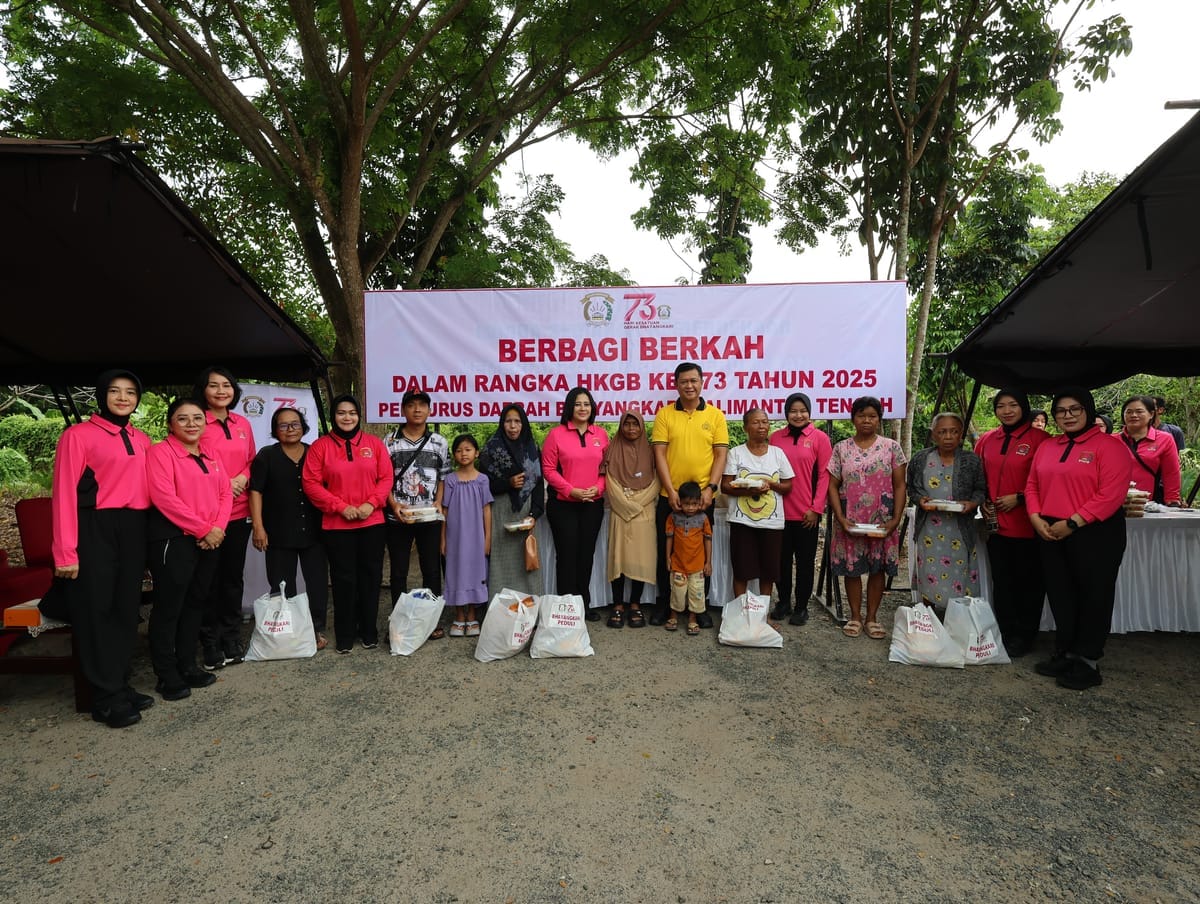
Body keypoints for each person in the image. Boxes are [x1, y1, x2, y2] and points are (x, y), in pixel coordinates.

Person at [50, 370, 154, 728]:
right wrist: (65, 552)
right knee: (97, 611)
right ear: (101, 395)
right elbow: (64, 493)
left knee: (126, 609)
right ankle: (104, 697)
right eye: (115, 391)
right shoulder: (77, 436)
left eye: (130, 392)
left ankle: (120, 685)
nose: (123, 398)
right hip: (94, 527)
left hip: (134, 527)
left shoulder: (142, 438)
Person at [1026, 387, 1132, 690]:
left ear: (1088, 410)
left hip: (1094, 533)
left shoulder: (1109, 447)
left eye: (1075, 409)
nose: (1067, 416)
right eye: (1061, 411)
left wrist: (1073, 522)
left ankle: (1087, 661)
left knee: (1093, 594)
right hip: (1049, 529)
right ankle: (1066, 651)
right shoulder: (1048, 446)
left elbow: (1111, 493)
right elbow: (1032, 483)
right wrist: (1035, 517)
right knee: (1061, 593)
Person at [145, 398, 229, 702]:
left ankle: (187, 664)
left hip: (210, 538)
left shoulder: (211, 453)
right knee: (170, 607)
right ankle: (166, 674)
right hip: (174, 539)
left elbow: (224, 493)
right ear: (171, 424)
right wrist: (203, 529)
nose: (191, 424)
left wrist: (217, 528)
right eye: (183, 419)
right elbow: (164, 497)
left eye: (197, 418)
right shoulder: (160, 452)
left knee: (196, 603)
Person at [301, 394, 391, 653]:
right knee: (343, 579)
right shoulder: (320, 447)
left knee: (370, 578)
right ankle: (345, 635)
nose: (347, 417)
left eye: (352, 412)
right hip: (337, 526)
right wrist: (341, 507)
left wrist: (370, 504)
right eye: (342, 412)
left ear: (359, 415)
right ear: (334, 416)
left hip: (371, 522)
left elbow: (386, 478)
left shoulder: (374, 444)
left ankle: (369, 631)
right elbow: (311, 483)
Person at [973, 389, 1051, 658]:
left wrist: (1019, 497)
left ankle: (1026, 634)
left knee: (1028, 582)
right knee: (1002, 581)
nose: (1006, 411)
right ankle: (1004, 631)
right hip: (995, 524)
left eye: (1013, 405)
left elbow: (1048, 480)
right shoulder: (987, 439)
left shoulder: (1041, 439)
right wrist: (981, 498)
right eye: (1001, 406)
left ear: (1025, 407)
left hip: (1029, 524)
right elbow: (978, 475)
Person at [651, 361, 729, 627]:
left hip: (702, 499)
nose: (689, 385)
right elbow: (659, 453)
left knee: (701, 553)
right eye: (684, 381)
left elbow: (720, 454)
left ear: (702, 382)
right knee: (667, 551)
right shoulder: (664, 415)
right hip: (669, 497)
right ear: (676, 384)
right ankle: (665, 604)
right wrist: (670, 490)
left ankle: (700, 607)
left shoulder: (716, 416)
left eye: (694, 380)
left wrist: (712, 488)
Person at [248, 406, 330, 651]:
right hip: (278, 531)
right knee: (282, 584)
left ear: (303, 427)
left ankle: (314, 629)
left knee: (317, 583)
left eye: (295, 424)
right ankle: (287, 629)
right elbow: (256, 491)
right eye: (283, 425)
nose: (290, 429)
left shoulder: (315, 452)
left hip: (315, 530)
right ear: (275, 430)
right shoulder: (266, 456)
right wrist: (258, 527)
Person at [826, 396, 907, 640]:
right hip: (850, 520)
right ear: (853, 419)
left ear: (879, 419)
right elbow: (832, 485)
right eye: (861, 416)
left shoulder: (891, 447)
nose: (866, 420)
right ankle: (855, 617)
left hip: (882, 520)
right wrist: (840, 518)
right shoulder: (841, 448)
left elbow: (900, 485)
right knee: (852, 569)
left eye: (872, 416)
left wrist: (895, 519)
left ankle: (872, 618)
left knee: (877, 567)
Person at [194, 366, 256, 670]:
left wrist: (242, 477)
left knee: (232, 578)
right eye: (214, 386)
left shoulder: (242, 423)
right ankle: (210, 640)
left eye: (227, 385)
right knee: (208, 581)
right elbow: (189, 465)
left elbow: (251, 461)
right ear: (203, 390)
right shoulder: (195, 421)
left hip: (239, 511)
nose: (221, 391)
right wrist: (222, 482)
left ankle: (232, 637)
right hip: (207, 517)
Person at [906, 412, 987, 612]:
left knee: (960, 572)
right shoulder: (921, 458)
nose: (948, 437)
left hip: (960, 528)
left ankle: (959, 616)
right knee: (928, 570)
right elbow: (912, 488)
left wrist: (972, 504)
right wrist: (920, 500)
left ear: (960, 435)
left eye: (953, 432)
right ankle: (929, 615)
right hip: (929, 529)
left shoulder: (971, 460)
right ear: (934, 435)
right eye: (942, 432)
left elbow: (981, 489)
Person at [541, 386, 609, 619]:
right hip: (563, 505)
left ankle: (583, 604)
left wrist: (598, 488)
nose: (583, 408)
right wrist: (572, 491)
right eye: (578, 404)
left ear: (593, 408)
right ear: (570, 407)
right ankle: (566, 607)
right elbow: (548, 470)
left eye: (587, 404)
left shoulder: (601, 435)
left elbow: (605, 470)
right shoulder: (556, 434)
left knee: (586, 554)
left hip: (593, 504)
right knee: (567, 554)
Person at [769, 392, 832, 625]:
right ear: (786, 413)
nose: (798, 415)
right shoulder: (775, 438)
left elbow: (825, 475)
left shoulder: (820, 438)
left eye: (802, 410)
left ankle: (801, 607)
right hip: (778, 513)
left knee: (805, 563)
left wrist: (816, 509)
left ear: (809, 412)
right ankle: (783, 602)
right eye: (793, 411)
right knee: (781, 561)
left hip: (807, 515)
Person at [384, 390, 450, 612]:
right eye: (411, 405)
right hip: (398, 517)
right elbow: (382, 480)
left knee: (431, 570)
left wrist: (439, 503)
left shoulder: (439, 442)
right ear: (403, 410)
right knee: (398, 571)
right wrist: (394, 505)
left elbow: (443, 477)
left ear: (430, 410)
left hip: (429, 516)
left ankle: (430, 619)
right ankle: (399, 618)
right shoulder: (390, 441)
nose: (417, 409)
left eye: (422, 405)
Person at [721, 408, 793, 606]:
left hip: (772, 524)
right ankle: (741, 613)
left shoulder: (777, 454)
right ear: (745, 427)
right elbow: (725, 485)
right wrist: (747, 491)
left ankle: (763, 616)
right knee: (742, 570)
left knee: (768, 572)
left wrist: (771, 484)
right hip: (741, 521)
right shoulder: (736, 453)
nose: (761, 426)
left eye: (765, 422)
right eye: (756, 422)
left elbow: (788, 486)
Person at [600, 410, 659, 628]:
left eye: (636, 424)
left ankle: (635, 604)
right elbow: (609, 481)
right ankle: (617, 605)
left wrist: (636, 503)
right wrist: (626, 505)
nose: (631, 429)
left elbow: (658, 480)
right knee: (619, 556)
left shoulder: (652, 451)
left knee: (641, 557)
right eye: (627, 424)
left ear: (642, 427)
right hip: (620, 509)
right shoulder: (612, 449)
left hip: (643, 509)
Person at [481, 404, 544, 601]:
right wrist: (507, 483)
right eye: (508, 421)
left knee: (527, 560)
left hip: (525, 512)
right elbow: (483, 485)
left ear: (523, 424)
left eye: (517, 421)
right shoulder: (491, 448)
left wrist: (534, 514)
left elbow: (538, 484)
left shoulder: (532, 448)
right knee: (502, 562)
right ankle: (500, 608)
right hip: (500, 511)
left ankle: (530, 608)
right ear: (502, 423)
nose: (513, 426)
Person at [441, 434, 493, 636]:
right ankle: (458, 615)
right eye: (459, 450)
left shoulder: (482, 480)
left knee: (475, 572)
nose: (464, 453)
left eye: (468, 449)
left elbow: (486, 510)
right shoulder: (450, 480)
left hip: (477, 536)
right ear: (454, 455)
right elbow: (444, 511)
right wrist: (443, 538)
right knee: (455, 572)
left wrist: (487, 538)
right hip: (455, 537)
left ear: (476, 453)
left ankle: (471, 615)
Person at [663, 481, 712, 635]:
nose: (690, 507)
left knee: (696, 593)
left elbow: (708, 540)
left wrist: (708, 562)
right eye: (686, 504)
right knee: (677, 592)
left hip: (697, 565)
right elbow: (669, 538)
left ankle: (692, 619)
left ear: (700, 503)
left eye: (694, 504)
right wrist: (668, 558)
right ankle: (673, 616)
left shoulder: (703, 518)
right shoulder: (673, 517)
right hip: (678, 563)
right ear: (680, 502)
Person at [1119, 395, 1182, 506]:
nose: (1133, 415)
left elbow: (1171, 473)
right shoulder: (1112, 440)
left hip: (1147, 504)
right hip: (1113, 503)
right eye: (1128, 412)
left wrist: (1172, 501)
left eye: (1139, 411)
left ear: (1151, 414)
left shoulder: (1165, 439)